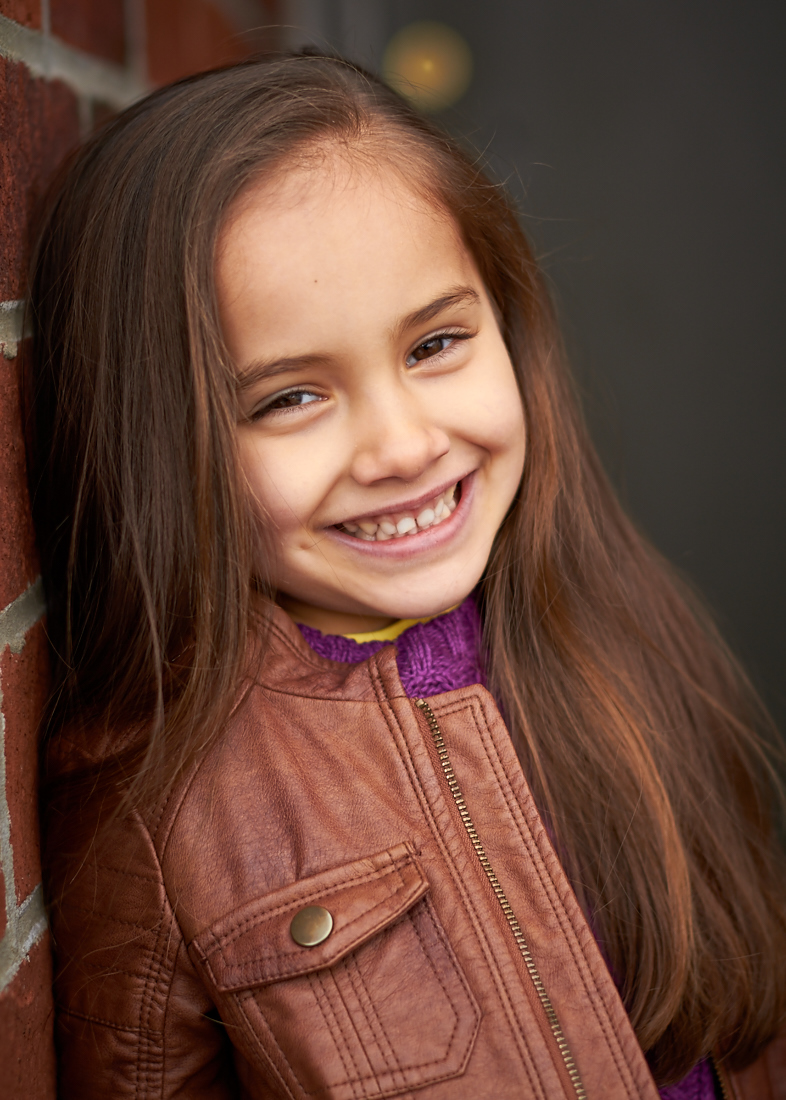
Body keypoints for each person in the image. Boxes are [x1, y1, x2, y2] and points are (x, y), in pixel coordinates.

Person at [27, 53, 786, 1100]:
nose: (402, 442)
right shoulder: (163, 814)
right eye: (289, 397)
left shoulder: (621, 625)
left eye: (435, 342)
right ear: (161, 447)